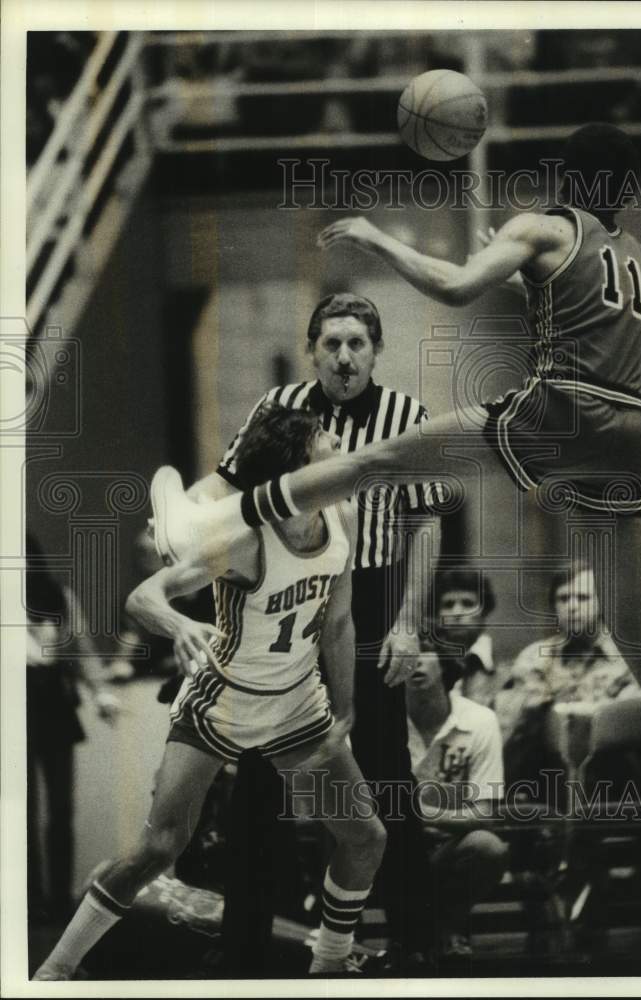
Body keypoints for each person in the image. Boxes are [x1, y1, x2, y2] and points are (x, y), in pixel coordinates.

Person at [149, 123, 641, 901]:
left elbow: (457, 286)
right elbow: (573, 306)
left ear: (564, 175)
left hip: (559, 412)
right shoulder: (636, 262)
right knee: (634, 629)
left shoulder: (543, 223)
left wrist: (373, 236)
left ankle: (211, 523)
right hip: (625, 432)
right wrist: (526, 270)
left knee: (376, 459)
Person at [34, 404, 387, 980]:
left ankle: (328, 966)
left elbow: (339, 624)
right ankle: (56, 967)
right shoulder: (246, 541)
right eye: (323, 435)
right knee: (160, 847)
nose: (336, 439)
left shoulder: (341, 514)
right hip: (221, 701)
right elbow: (143, 598)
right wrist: (180, 624)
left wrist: (345, 709)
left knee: (366, 836)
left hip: (297, 703)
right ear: (299, 463)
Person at [189, 292, 441, 970]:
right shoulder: (276, 410)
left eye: (357, 343)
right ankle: (248, 942)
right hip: (284, 602)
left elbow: (425, 523)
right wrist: (176, 518)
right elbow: (224, 487)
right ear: (311, 349)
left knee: (383, 774)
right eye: (331, 343)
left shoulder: (406, 417)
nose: (343, 356)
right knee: (259, 781)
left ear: (376, 350)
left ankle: (417, 940)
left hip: (372, 597)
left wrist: (409, 624)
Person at [26, 533, 120, 924]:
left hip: (53, 704)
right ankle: (30, 901)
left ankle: (61, 900)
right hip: (14, 705)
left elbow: (82, 649)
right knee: (21, 811)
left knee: (62, 809)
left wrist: (101, 693)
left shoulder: (57, 598)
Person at [497, 559, 638, 796]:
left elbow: (632, 725)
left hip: (617, 781)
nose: (572, 606)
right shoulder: (534, 657)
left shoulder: (630, 660)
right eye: (563, 599)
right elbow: (509, 727)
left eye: (583, 598)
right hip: (545, 781)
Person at [405, 645, 508, 962]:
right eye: (402, 653)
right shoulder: (373, 721)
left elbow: (484, 814)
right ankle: (416, 938)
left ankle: (446, 926)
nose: (413, 660)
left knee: (487, 847)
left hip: (450, 846)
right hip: (393, 851)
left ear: (445, 662)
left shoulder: (480, 720)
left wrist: (420, 815)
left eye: (423, 651)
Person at [431, 565, 502, 707]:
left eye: (468, 603)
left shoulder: (503, 665)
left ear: (484, 611)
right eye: (448, 604)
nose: (457, 612)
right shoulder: (428, 662)